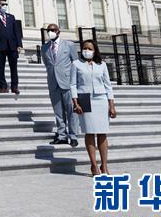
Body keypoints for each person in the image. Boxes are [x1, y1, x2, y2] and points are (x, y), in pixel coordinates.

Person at [71, 40, 116, 176]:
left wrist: (112, 105)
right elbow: (73, 84)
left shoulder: (101, 65)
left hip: (101, 99)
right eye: (84, 48)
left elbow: (108, 85)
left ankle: (104, 165)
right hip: (84, 99)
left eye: (90, 48)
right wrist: (76, 103)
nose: (87, 51)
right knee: (89, 132)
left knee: (102, 133)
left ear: (95, 50)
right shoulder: (76, 64)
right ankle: (94, 165)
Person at [42, 23, 79, 147]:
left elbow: (75, 63)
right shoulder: (44, 48)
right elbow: (48, 64)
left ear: (58, 31)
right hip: (53, 82)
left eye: (53, 30)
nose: (50, 32)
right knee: (58, 111)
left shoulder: (69, 45)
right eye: (49, 30)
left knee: (71, 110)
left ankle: (73, 135)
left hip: (67, 82)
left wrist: (75, 81)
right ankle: (62, 134)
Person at [0, 0, 23, 94]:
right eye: (3, 4)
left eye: (5, 4)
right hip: (0, 47)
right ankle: (3, 86)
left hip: (12, 46)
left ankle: (14, 86)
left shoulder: (11, 17)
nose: (5, 6)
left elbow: (16, 32)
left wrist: (19, 44)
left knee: (14, 68)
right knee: (1, 67)